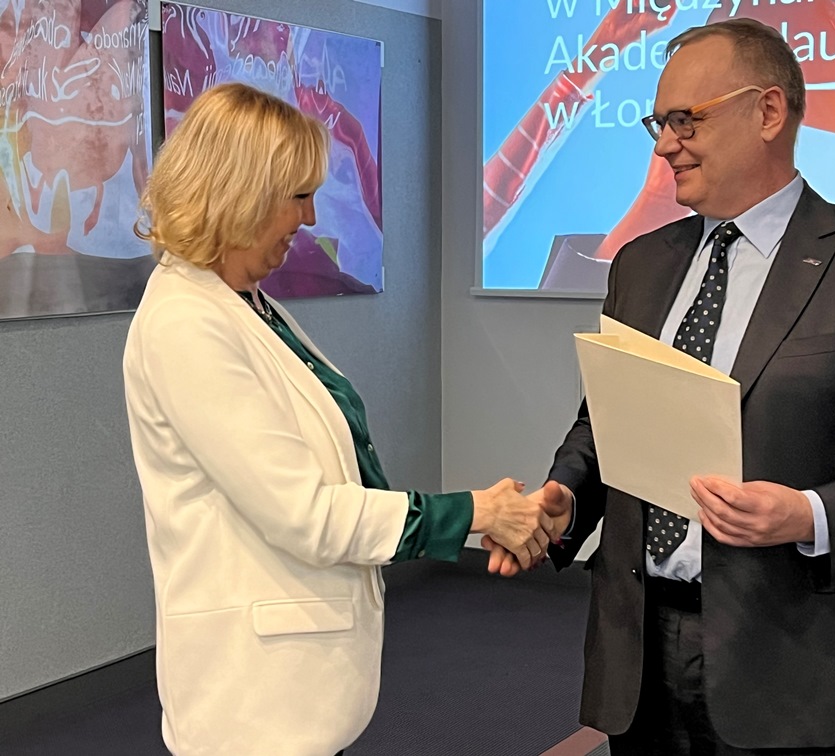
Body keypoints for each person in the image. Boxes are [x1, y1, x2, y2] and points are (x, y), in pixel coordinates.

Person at [485, 18, 835, 756]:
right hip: (637, 654)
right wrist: (566, 498)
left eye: (686, 119)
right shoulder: (640, 264)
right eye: (658, 122)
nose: (664, 144)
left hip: (796, 663)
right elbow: (606, 422)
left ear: (768, 112)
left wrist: (808, 514)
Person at [123, 82, 557, 756]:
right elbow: (305, 513)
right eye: (298, 195)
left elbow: (344, 470)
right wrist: (476, 512)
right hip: (251, 703)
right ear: (239, 192)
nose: (309, 215)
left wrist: (482, 515)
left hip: (290, 688)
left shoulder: (245, 304)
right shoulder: (186, 324)